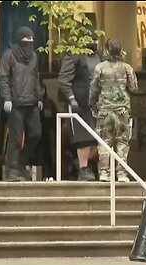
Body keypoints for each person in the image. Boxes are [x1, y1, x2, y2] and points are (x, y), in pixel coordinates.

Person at [89, 38, 138, 182]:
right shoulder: (127, 68)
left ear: (106, 50)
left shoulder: (100, 68)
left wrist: (92, 104)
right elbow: (134, 87)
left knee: (104, 142)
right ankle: (122, 174)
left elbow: (93, 89)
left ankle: (104, 173)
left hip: (104, 110)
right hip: (122, 110)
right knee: (122, 142)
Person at [0, 26, 43, 181]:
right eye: (26, 40)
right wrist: (7, 98)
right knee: (16, 138)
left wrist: (39, 97)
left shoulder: (34, 57)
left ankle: (21, 165)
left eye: (32, 40)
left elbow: (36, 77)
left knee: (36, 134)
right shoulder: (8, 56)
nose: (29, 43)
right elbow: (3, 77)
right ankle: (11, 171)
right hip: (16, 103)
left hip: (32, 103)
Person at [58, 34, 102, 181]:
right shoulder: (74, 55)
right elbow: (64, 80)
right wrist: (71, 98)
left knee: (97, 140)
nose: (94, 42)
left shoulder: (98, 57)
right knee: (83, 139)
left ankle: (84, 165)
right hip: (79, 104)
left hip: (96, 105)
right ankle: (83, 168)